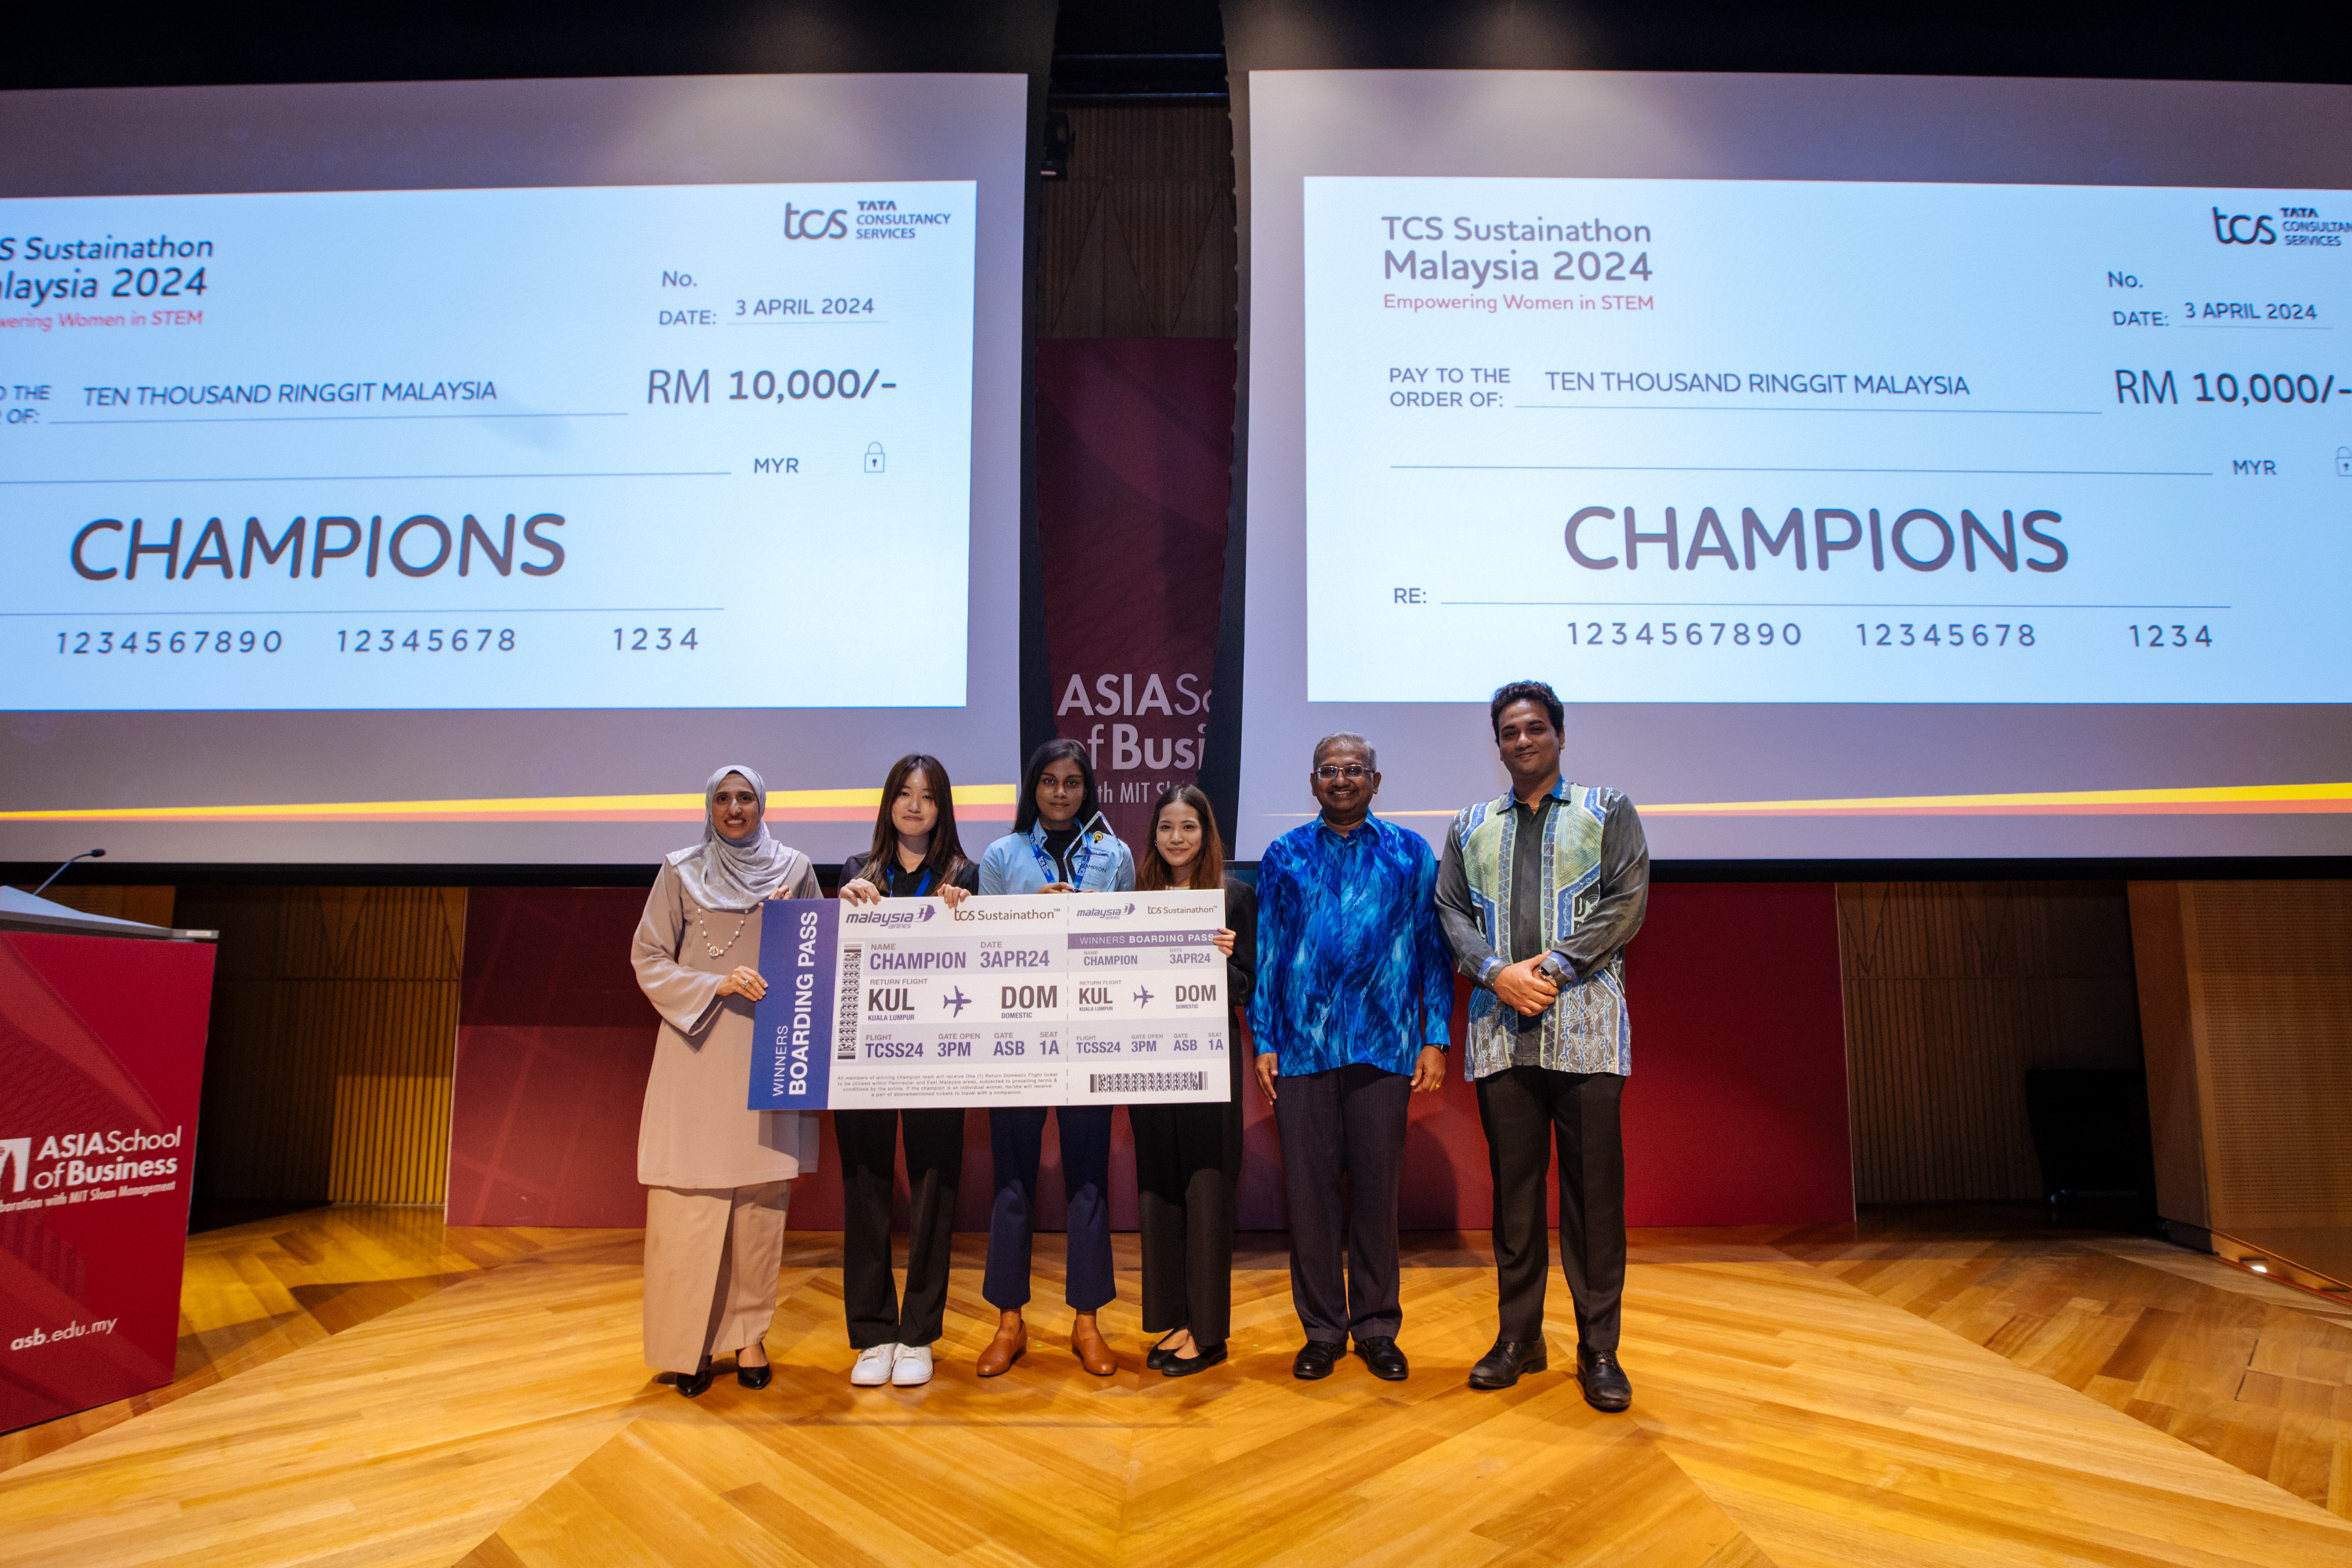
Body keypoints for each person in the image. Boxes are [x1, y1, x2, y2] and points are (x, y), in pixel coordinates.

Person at [1435, 680, 1649, 1412]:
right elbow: (1451, 911)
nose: (1521, 742)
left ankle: (1600, 1352)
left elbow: (1627, 903)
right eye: (1508, 733)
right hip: (1501, 1036)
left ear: (1559, 734)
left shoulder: (1608, 810)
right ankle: (1519, 1339)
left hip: (1586, 1033)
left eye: (1533, 729)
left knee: (1594, 1201)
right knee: (1516, 1202)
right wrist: (1497, 974)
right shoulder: (1469, 825)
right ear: (1497, 746)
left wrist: (1549, 970)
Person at [1251, 733, 1452, 1382]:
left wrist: (1436, 1035)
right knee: (1309, 1198)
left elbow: (1431, 948)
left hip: (1385, 1044)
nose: (1342, 780)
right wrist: (1265, 1040)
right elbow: (1272, 955)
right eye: (1329, 771)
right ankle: (1322, 1333)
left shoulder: (1410, 854)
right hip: (1304, 1049)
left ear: (1376, 779)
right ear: (1313, 783)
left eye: (1354, 771)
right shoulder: (1284, 856)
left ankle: (1375, 1328)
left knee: (1375, 1194)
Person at [630, 765, 822, 1398]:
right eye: (723, 798)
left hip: (766, 1050)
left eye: (746, 798)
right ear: (709, 806)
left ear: (763, 805)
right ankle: (687, 1346)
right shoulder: (679, 870)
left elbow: (816, 952)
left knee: (759, 1204)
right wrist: (715, 982)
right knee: (688, 1204)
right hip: (696, 1049)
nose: (735, 808)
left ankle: (749, 1337)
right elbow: (648, 956)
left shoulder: (793, 869)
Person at [972, 738, 1137, 1376]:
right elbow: (979, 945)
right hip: (1016, 1036)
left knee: (1089, 1178)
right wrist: (1026, 914)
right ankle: (1008, 1322)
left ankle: (1088, 1322)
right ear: (1032, 789)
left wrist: (1100, 917)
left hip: (1090, 1033)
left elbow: (1130, 941)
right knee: (1011, 1181)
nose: (1061, 793)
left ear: (1086, 788)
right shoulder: (1001, 855)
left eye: (1072, 782)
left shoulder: (1114, 854)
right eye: (1049, 782)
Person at [834, 754, 980, 1390]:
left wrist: (970, 914)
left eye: (928, 796)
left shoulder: (964, 875)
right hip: (864, 1055)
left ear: (943, 808)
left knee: (933, 1190)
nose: (915, 805)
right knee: (864, 1189)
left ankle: (918, 1332)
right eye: (904, 793)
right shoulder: (854, 873)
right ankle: (871, 1334)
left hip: (937, 1055)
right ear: (889, 803)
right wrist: (843, 909)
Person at [1129, 785, 1256, 1378]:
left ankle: (1209, 1334)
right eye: (1166, 828)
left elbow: (1251, 987)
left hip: (1208, 1060)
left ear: (1207, 834)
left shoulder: (1232, 897)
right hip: (1147, 1059)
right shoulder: (1136, 899)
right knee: (1160, 1187)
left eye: (1189, 827)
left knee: (1207, 1187)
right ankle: (1176, 1319)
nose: (1177, 838)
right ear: (1153, 836)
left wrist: (1227, 960)